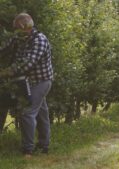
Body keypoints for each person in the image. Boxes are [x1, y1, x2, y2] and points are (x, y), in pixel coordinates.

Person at [0, 13, 53, 156]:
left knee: (27, 112)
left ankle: (27, 150)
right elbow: (4, 49)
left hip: (40, 81)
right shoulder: (19, 37)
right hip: (27, 82)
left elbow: (27, 64)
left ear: (24, 27)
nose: (14, 31)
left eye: (16, 28)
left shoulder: (39, 40)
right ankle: (44, 146)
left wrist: (4, 72)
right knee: (41, 113)